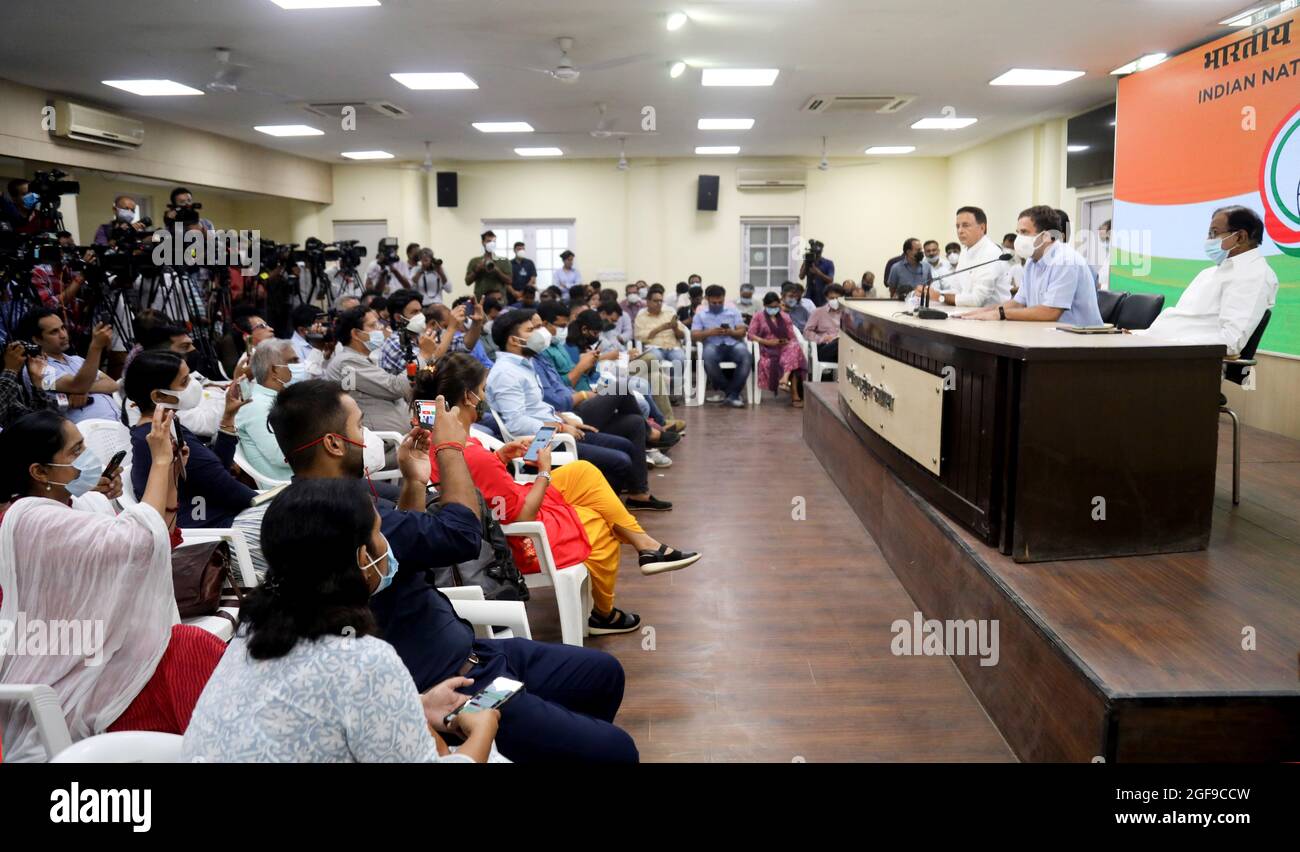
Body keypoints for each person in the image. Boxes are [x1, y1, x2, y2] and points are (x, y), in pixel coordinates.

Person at [235, 379, 640, 762]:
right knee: (616, 750)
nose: (370, 434)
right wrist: (450, 449)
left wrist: (413, 483)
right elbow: (462, 536)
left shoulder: (340, 506)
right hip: (457, 687)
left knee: (602, 673)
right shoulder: (336, 518)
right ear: (333, 444)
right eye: (360, 424)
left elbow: (406, 545)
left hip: (478, 655)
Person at [183, 478, 501, 763]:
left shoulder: (249, 635)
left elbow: (312, 708)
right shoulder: (366, 661)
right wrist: (481, 733)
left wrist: (415, 703)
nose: (388, 547)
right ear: (364, 559)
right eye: (380, 534)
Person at [0, 408, 225, 762]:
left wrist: (168, 474)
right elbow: (139, 541)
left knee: (189, 647)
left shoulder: (82, 503)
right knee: (190, 650)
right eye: (75, 452)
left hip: (108, 652)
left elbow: (160, 539)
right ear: (40, 471)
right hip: (71, 673)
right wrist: (160, 462)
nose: (88, 459)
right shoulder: (27, 517)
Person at [423, 356, 700, 635]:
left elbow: (474, 478)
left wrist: (499, 456)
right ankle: (604, 614)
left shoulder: (444, 438)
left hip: (498, 512)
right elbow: (523, 514)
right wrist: (543, 471)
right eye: (483, 390)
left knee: (581, 471)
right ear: (470, 397)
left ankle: (645, 545)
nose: (485, 397)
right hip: (515, 538)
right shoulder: (470, 451)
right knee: (597, 523)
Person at [487, 310, 669, 509]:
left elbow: (537, 408)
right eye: (531, 330)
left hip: (554, 428)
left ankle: (633, 497)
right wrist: (561, 428)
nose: (538, 335)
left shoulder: (524, 364)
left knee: (630, 434)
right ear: (514, 340)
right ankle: (597, 511)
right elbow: (517, 423)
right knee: (621, 460)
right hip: (539, 443)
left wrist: (564, 418)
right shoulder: (506, 373)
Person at [125, 351, 256, 527]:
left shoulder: (165, 427)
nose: (194, 385)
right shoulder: (161, 440)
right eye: (185, 381)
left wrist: (228, 417)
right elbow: (227, 489)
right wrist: (276, 501)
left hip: (213, 515)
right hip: (210, 531)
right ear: (159, 396)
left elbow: (215, 471)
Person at [1143, 206, 1277, 357]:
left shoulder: (1254, 275)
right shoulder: (1209, 273)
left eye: (1214, 233)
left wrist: (1170, 343)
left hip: (1185, 360)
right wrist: (1140, 337)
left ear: (1240, 237)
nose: (1209, 240)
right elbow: (1181, 321)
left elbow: (1231, 341)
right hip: (1157, 347)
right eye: (1209, 234)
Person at [961, 206, 1102, 326]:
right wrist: (983, 312)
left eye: (1024, 232)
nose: (1019, 238)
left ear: (1045, 236)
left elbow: (1050, 312)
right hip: (1050, 336)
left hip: (1082, 345)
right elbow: (1019, 302)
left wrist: (1000, 314)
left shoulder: (1065, 260)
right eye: (1018, 232)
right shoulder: (1032, 260)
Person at [15, 309, 117, 423]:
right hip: (87, 431)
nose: (63, 335)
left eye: (63, 328)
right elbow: (78, 385)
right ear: (37, 339)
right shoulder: (36, 369)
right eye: (54, 332)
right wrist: (96, 347)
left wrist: (81, 390)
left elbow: (112, 385)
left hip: (117, 420)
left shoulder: (77, 360)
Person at [323, 306, 412, 434]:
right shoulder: (347, 361)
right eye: (373, 325)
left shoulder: (367, 358)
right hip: (381, 447)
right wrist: (424, 356)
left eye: (379, 323)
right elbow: (395, 388)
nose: (380, 329)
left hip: (397, 442)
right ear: (356, 334)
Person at [234, 339, 302, 482]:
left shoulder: (281, 398)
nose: (300, 366)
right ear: (274, 370)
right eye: (293, 361)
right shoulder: (256, 406)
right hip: (288, 486)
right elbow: (282, 456)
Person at [920, 207, 1011, 308]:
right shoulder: (965, 251)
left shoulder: (991, 253)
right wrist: (928, 293)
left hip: (993, 318)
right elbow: (957, 289)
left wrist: (940, 297)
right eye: (957, 226)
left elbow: (977, 300)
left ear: (982, 227)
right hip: (967, 315)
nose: (960, 231)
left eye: (965, 225)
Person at [692, 285, 752, 408]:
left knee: (746, 355)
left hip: (733, 343)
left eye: (720, 302)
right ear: (707, 299)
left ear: (724, 299)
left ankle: (731, 395)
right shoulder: (700, 315)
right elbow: (694, 335)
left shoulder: (733, 312)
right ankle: (732, 393)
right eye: (714, 303)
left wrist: (731, 332)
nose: (717, 305)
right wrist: (710, 332)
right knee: (707, 357)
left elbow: (742, 332)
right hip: (712, 345)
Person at [749, 292, 807, 408]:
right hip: (766, 349)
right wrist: (767, 342)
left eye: (776, 307)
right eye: (770, 307)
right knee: (795, 360)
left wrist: (783, 341)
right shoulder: (758, 316)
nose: (773, 309)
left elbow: (791, 336)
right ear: (765, 305)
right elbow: (750, 335)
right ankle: (793, 392)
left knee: (794, 347)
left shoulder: (784, 316)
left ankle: (784, 378)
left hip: (783, 348)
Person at [634, 284, 688, 400]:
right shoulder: (641, 317)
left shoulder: (669, 313)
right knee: (654, 358)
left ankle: (673, 393)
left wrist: (675, 328)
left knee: (680, 359)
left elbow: (682, 335)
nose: (659, 303)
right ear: (647, 301)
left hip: (673, 347)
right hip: (654, 347)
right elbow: (640, 337)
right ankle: (658, 392)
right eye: (655, 301)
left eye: (660, 301)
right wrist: (660, 328)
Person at [378, 289, 445, 376]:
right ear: (398, 318)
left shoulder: (417, 336)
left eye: (420, 311)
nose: (420, 316)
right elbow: (421, 376)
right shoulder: (396, 344)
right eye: (414, 312)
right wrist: (451, 329)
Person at [804, 283, 846, 366]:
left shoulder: (846, 313)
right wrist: (821, 338)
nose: (835, 300)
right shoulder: (818, 312)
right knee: (839, 342)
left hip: (843, 350)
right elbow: (807, 332)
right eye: (832, 298)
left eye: (837, 298)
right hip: (825, 348)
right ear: (826, 298)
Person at [465, 230, 512, 299]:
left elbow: (509, 281)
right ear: (483, 242)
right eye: (489, 241)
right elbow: (467, 282)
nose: (491, 244)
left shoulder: (504, 261)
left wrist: (497, 270)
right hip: (480, 300)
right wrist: (477, 270)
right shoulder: (475, 261)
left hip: (499, 301)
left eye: (493, 241)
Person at [798, 240, 835, 306]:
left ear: (821, 252)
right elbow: (801, 276)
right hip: (809, 294)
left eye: (817, 252)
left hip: (822, 295)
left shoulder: (828, 263)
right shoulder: (807, 261)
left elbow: (830, 280)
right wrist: (806, 263)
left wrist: (818, 273)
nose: (815, 254)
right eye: (813, 252)